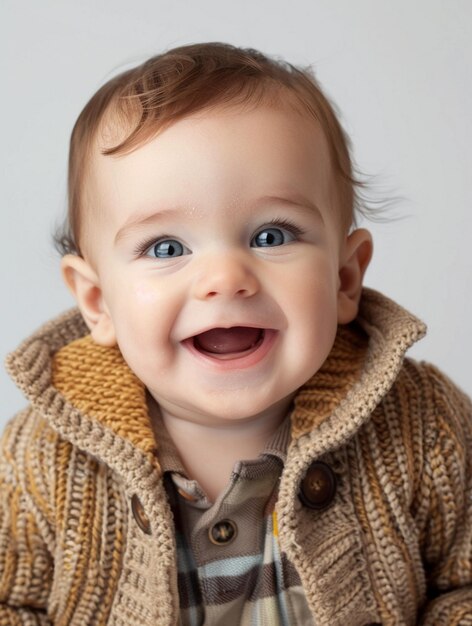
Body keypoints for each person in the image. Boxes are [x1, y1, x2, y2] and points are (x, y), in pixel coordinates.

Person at [1, 42, 471, 626]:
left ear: (345, 278)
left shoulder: (423, 423)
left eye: (272, 236)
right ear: (98, 303)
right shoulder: (41, 457)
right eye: (167, 247)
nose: (225, 279)